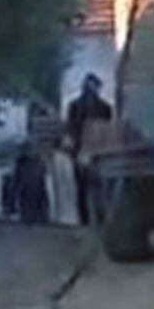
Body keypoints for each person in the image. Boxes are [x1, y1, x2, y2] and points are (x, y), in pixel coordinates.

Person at [65, 71, 113, 228]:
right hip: (91, 150)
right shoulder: (103, 107)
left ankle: (90, 219)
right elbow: (71, 128)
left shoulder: (102, 108)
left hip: (91, 150)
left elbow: (71, 129)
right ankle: (93, 218)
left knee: (89, 186)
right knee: (90, 185)